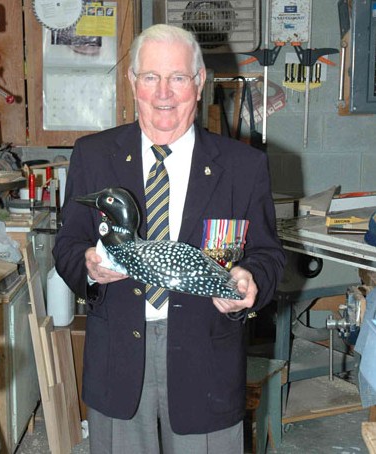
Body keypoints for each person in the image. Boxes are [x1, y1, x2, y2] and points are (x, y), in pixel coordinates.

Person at [53, 23, 285, 453]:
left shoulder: (243, 166)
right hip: (116, 361)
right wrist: (86, 264)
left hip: (207, 363)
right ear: (132, 83)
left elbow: (269, 255)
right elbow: (66, 246)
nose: (164, 93)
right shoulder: (93, 155)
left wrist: (251, 280)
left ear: (199, 83)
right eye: (151, 78)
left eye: (178, 77)